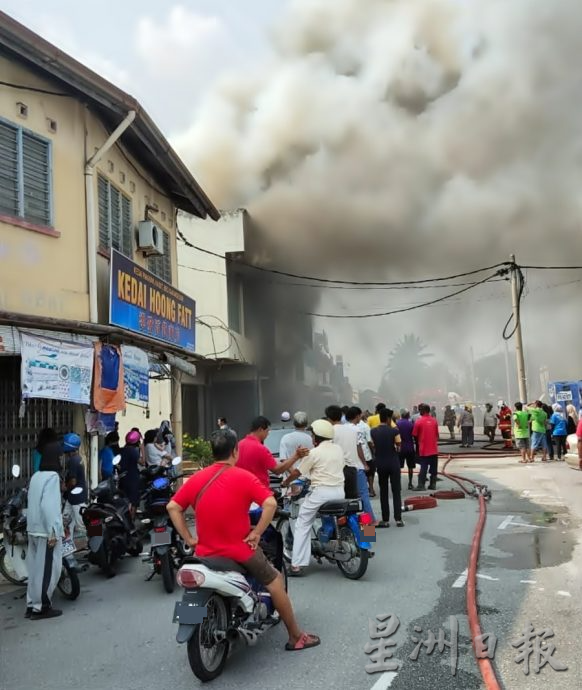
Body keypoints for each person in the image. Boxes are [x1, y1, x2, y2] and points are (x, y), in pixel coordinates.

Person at [166, 429, 320, 651]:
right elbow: (270, 504)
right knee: (275, 580)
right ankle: (296, 637)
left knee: (191, 589)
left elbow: (173, 507)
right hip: (239, 549)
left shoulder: (196, 478)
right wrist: (256, 533)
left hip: (203, 553)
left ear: (213, 452)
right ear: (235, 451)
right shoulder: (244, 476)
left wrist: (190, 539)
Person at [282, 419, 346, 576]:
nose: (311, 438)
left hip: (321, 493)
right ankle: (368, 543)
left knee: (302, 523)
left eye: (312, 435)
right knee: (362, 517)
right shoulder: (338, 449)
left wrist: (285, 482)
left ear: (316, 437)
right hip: (340, 491)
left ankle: (296, 565)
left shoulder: (314, 453)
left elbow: (297, 473)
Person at [25, 445, 64, 619]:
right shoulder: (53, 477)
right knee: (48, 570)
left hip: (32, 528)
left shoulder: (36, 476)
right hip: (45, 530)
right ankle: (41, 607)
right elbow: (49, 506)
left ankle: (31, 604)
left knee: (34, 570)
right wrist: (53, 532)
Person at [236, 416, 308, 488]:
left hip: (240, 488)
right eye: (267, 431)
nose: (268, 434)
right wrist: (296, 456)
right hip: (258, 491)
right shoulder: (260, 448)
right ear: (260, 429)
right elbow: (277, 470)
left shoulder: (239, 445)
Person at [372, 408, 403, 528]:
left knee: (383, 491)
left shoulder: (373, 432)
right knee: (396, 491)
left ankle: (385, 519)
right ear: (389, 418)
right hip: (393, 463)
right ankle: (398, 519)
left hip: (380, 463)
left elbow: (373, 446)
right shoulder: (394, 431)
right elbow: (399, 446)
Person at [347, 407, 377, 523]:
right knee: (363, 498)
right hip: (357, 467)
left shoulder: (336, 431)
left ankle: (348, 531)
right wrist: (365, 464)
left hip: (344, 470)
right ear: (357, 416)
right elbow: (359, 447)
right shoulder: (357, 430)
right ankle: (368, 527)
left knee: (349, 499)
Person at [326, 404, 358, 499]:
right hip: (352, 469)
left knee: (338, 503)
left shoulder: (329, 431)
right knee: (351, 501)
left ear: (329, 418)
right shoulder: (352, 430)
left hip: (336, 470)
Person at [62, 433, 87, 542]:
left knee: (80, 525)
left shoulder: (73, 461)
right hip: (73, 497)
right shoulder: (78, 458)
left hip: (76, 498)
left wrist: (64, 487)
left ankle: (91, 547)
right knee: (65, 521)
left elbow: (73, 481)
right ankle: (67, 546)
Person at [412, 403, 439, 491]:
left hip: (424, 449)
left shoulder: (419, 421)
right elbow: (437, 435)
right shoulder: (434, 421)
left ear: (423, 411)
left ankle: (421, 485)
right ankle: (433, 484)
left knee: (423, 467)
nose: (419, 411)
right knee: (433, 468)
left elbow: (414, 434)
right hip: (434, 450)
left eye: (420, 410)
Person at [119, 430, 143, 516]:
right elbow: (142, 462)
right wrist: (142, 448)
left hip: (123, 477)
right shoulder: (133, 451)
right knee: (134, 501)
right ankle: (131, 519)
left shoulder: (122, 450)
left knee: (124, 500)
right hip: (133, 478)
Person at [356, 409, 376, 497]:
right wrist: (373, 452)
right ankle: (371, 490)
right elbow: (369, 441)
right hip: (366, 453)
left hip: (355, 453)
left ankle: (360, 490)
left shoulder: (350, 426)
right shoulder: (365, 426)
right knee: (370, 473)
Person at [396, 410, 416, 490]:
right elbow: (414, 435)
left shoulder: (397, 423)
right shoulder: (411, 424)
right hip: (410, 448)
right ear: (408, 416)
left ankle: (398, 484)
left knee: (398, 467)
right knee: (410, 467)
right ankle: (410, 483)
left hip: (400, 447)